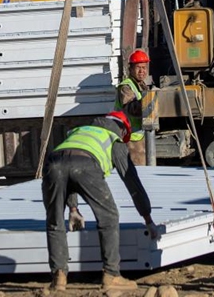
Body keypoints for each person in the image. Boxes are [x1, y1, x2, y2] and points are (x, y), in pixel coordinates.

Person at [41, 111, 159, 292]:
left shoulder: (79, 131)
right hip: (85, 165)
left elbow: (68, 162)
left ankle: (59, 277)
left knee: (55, 220)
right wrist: (148, 218)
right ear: (122, 129)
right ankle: (111, 275)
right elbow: (131, 180)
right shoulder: (113, 138)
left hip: (53, 163)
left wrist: (73, 208)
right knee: (109, 216)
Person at [114, 49, 150, 142]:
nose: (142, 71)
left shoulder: (142, 86)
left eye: (144, 67)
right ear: (131, 69)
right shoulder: (126, 87)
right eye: (138, 67)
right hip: (130, 137)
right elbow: (131, 109)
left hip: (139, 136)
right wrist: (149, 101)